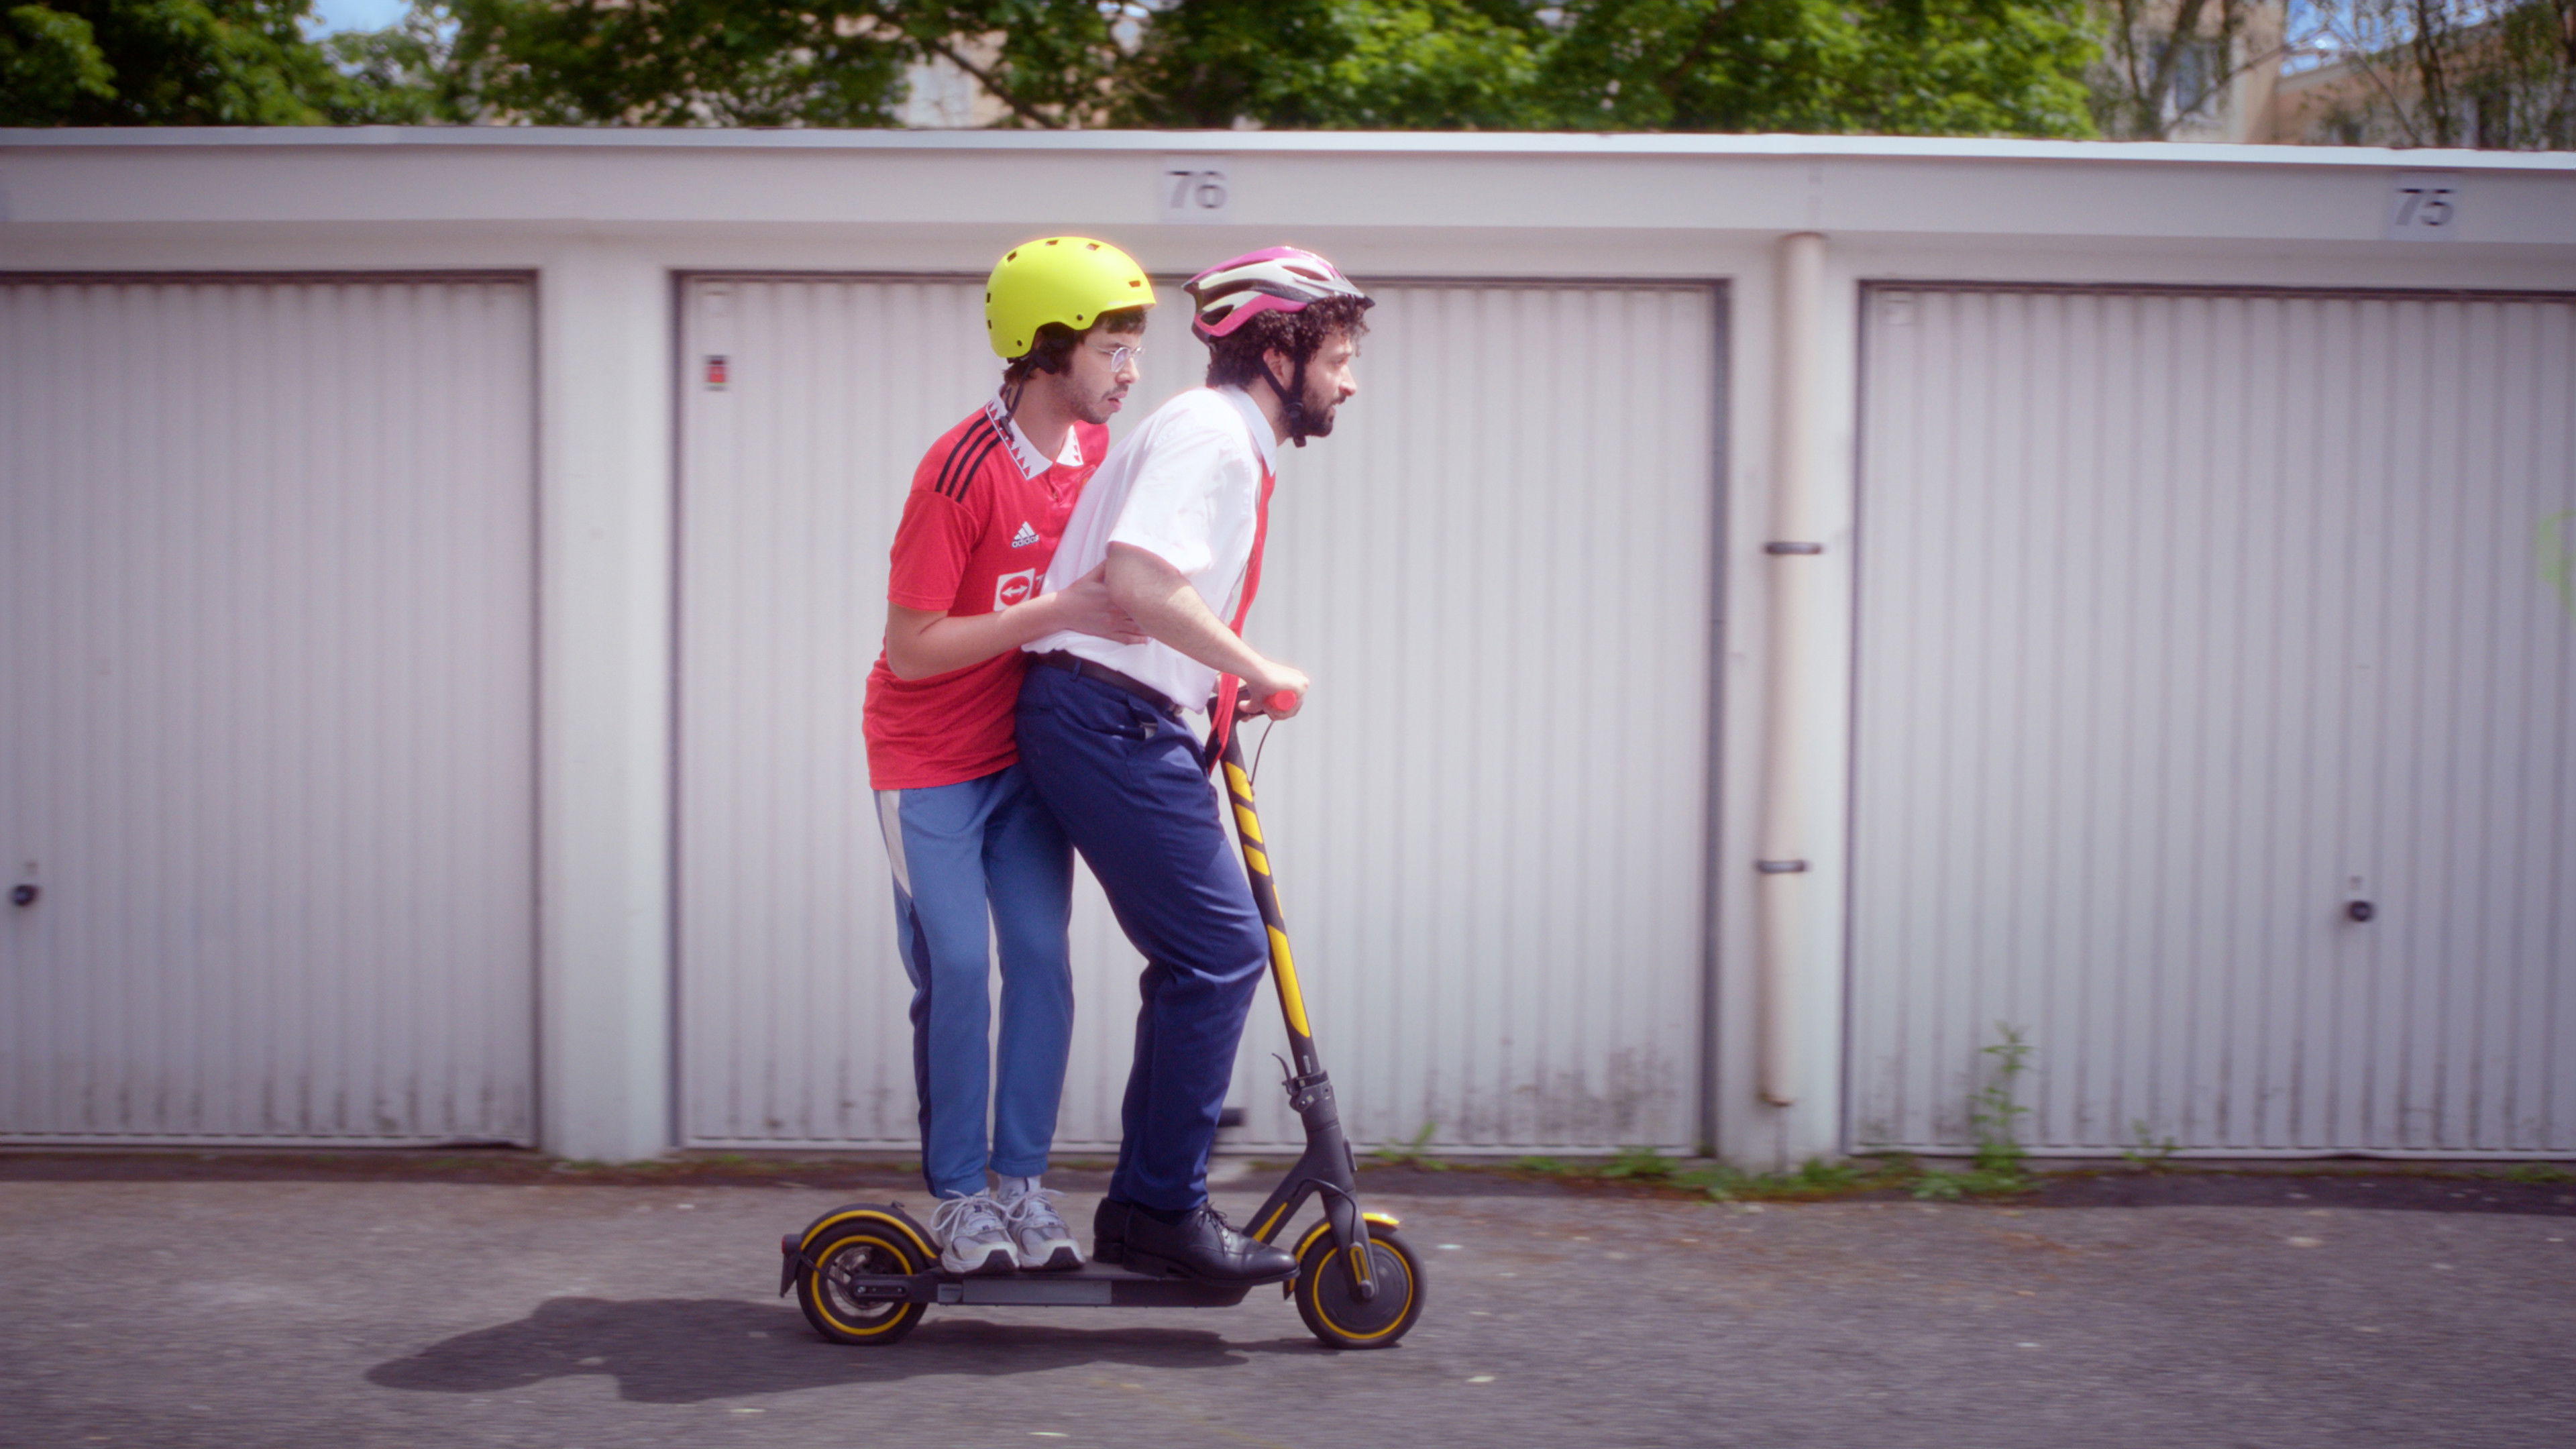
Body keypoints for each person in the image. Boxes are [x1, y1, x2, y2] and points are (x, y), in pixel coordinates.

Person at [1014, 246, 1372, 1283]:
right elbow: (1136, 580)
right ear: (1276, 350)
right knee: (1219, 948)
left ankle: (1148, 1209)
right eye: (1338, 355)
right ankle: (1159, 1213)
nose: (1350, 379)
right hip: (1105, 719)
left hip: (1122, 715)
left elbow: (1157, 600)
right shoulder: (1213, 435)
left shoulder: (1216, 436)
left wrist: (1224, 679)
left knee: (1207, 953)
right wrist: (1256, 662)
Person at [862, 236, 1153, 1275]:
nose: (1131, 370)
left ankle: (1021, 1188)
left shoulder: (1096, 467)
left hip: (1025, 758)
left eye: (1135, 347)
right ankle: (959, 1197)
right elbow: (912, 645)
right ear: (1044, 348)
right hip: (928, 759)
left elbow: (1131, 599)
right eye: (1114, 348)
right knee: (958, 968)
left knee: (1040, 962)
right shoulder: (958, 473)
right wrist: (1053, 609)